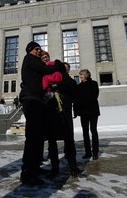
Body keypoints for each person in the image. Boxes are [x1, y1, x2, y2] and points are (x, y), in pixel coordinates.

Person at [19, 41, 64, 185]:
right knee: (33, 137)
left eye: (40, 49)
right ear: (30, 50)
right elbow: (45, 69)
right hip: (31, 100)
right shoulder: (30, 58)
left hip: (37, 100)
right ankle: (27, 174)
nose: (39, 51)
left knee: (38, 137)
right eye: (37, 49)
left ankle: (34, 168)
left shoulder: (33, 61)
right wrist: (58, 64)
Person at [41, 52, 82, 177]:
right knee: (52, 140)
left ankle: (73, 167)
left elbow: (71, 85)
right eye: (42, 58)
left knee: (69, 138)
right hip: (49, 108)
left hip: (64, 108)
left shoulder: (59, 70)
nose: (45, 59)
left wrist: (56, 85)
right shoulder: (39, 72)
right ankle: (55, 168)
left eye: (46, 57)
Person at [74, 69, 100, 160]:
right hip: (83, 112)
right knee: (85, 133)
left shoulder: (94, 83)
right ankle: (88, 152)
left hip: (92, 111)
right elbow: (76, 100)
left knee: (93, 130)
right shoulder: (78, 86)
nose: (80, 76)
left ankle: (95, 153)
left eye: (82, 74)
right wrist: (76, 111)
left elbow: (94, 96)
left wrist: (83, 103)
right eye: (80, 74)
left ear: (87, 75)